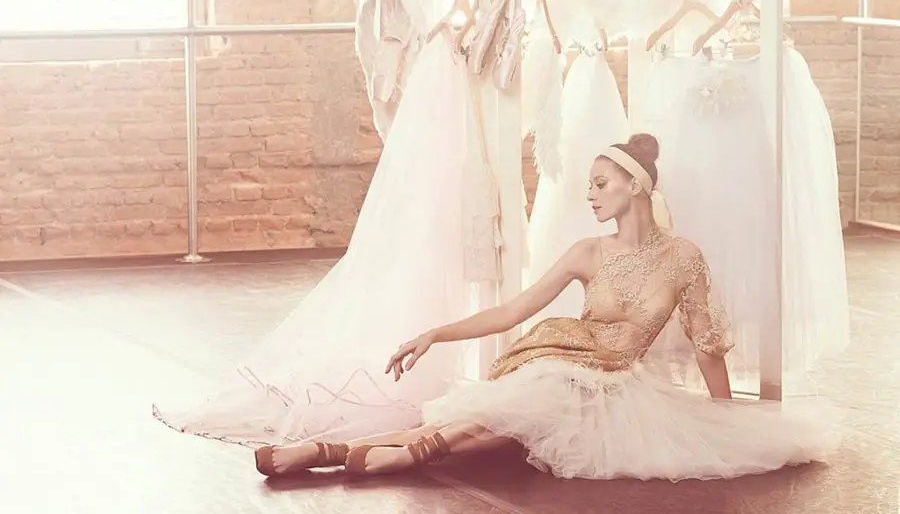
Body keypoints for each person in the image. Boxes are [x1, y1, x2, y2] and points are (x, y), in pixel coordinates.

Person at [254, 133, 839, 482]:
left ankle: (340, 454)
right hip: (561, 361)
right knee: (504, 415)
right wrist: (435, 333)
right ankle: (346, 453)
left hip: (618, 385)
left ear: (635, 186)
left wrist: (728, 419)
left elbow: (707, 344)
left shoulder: (683, 257)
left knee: (509, 431)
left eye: (601, 183)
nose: (589, 194)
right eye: (589, 184)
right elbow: (513, 311)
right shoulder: (587, 251)